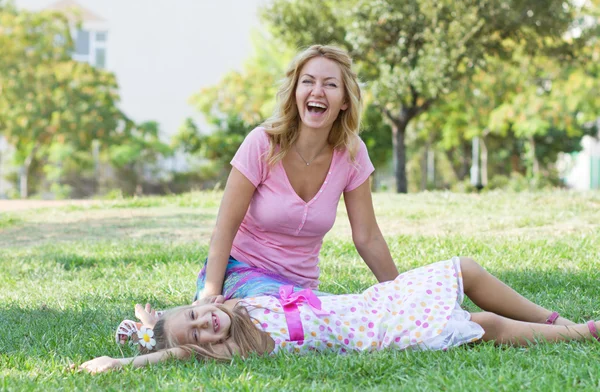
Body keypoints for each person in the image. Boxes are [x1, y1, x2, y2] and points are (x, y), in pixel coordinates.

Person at [78, 257, 598, 374]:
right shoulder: (245, 346)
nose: (204, 323)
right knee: (482, 328)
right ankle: (582, 333)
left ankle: (552, 319)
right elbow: (173, 351)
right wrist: (126, 362)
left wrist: (147, 322)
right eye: (197, 333)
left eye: (196, 313)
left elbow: (180, 319)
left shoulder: (239, 304)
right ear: (201, 346)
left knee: (464, 268)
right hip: (382, 332)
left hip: (375, 303)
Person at [194, 44, 399, 301]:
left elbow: (368, 237)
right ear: (294, 92)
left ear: (345, 101)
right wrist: (209, 296)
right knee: (289, 310)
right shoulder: (262, 143)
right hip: (241, 275)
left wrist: (401, 295)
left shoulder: (352, 154)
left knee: (333, 315)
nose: (317, 91)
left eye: (330, 85)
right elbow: (225, 227)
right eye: (308, 81)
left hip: (299, 292)